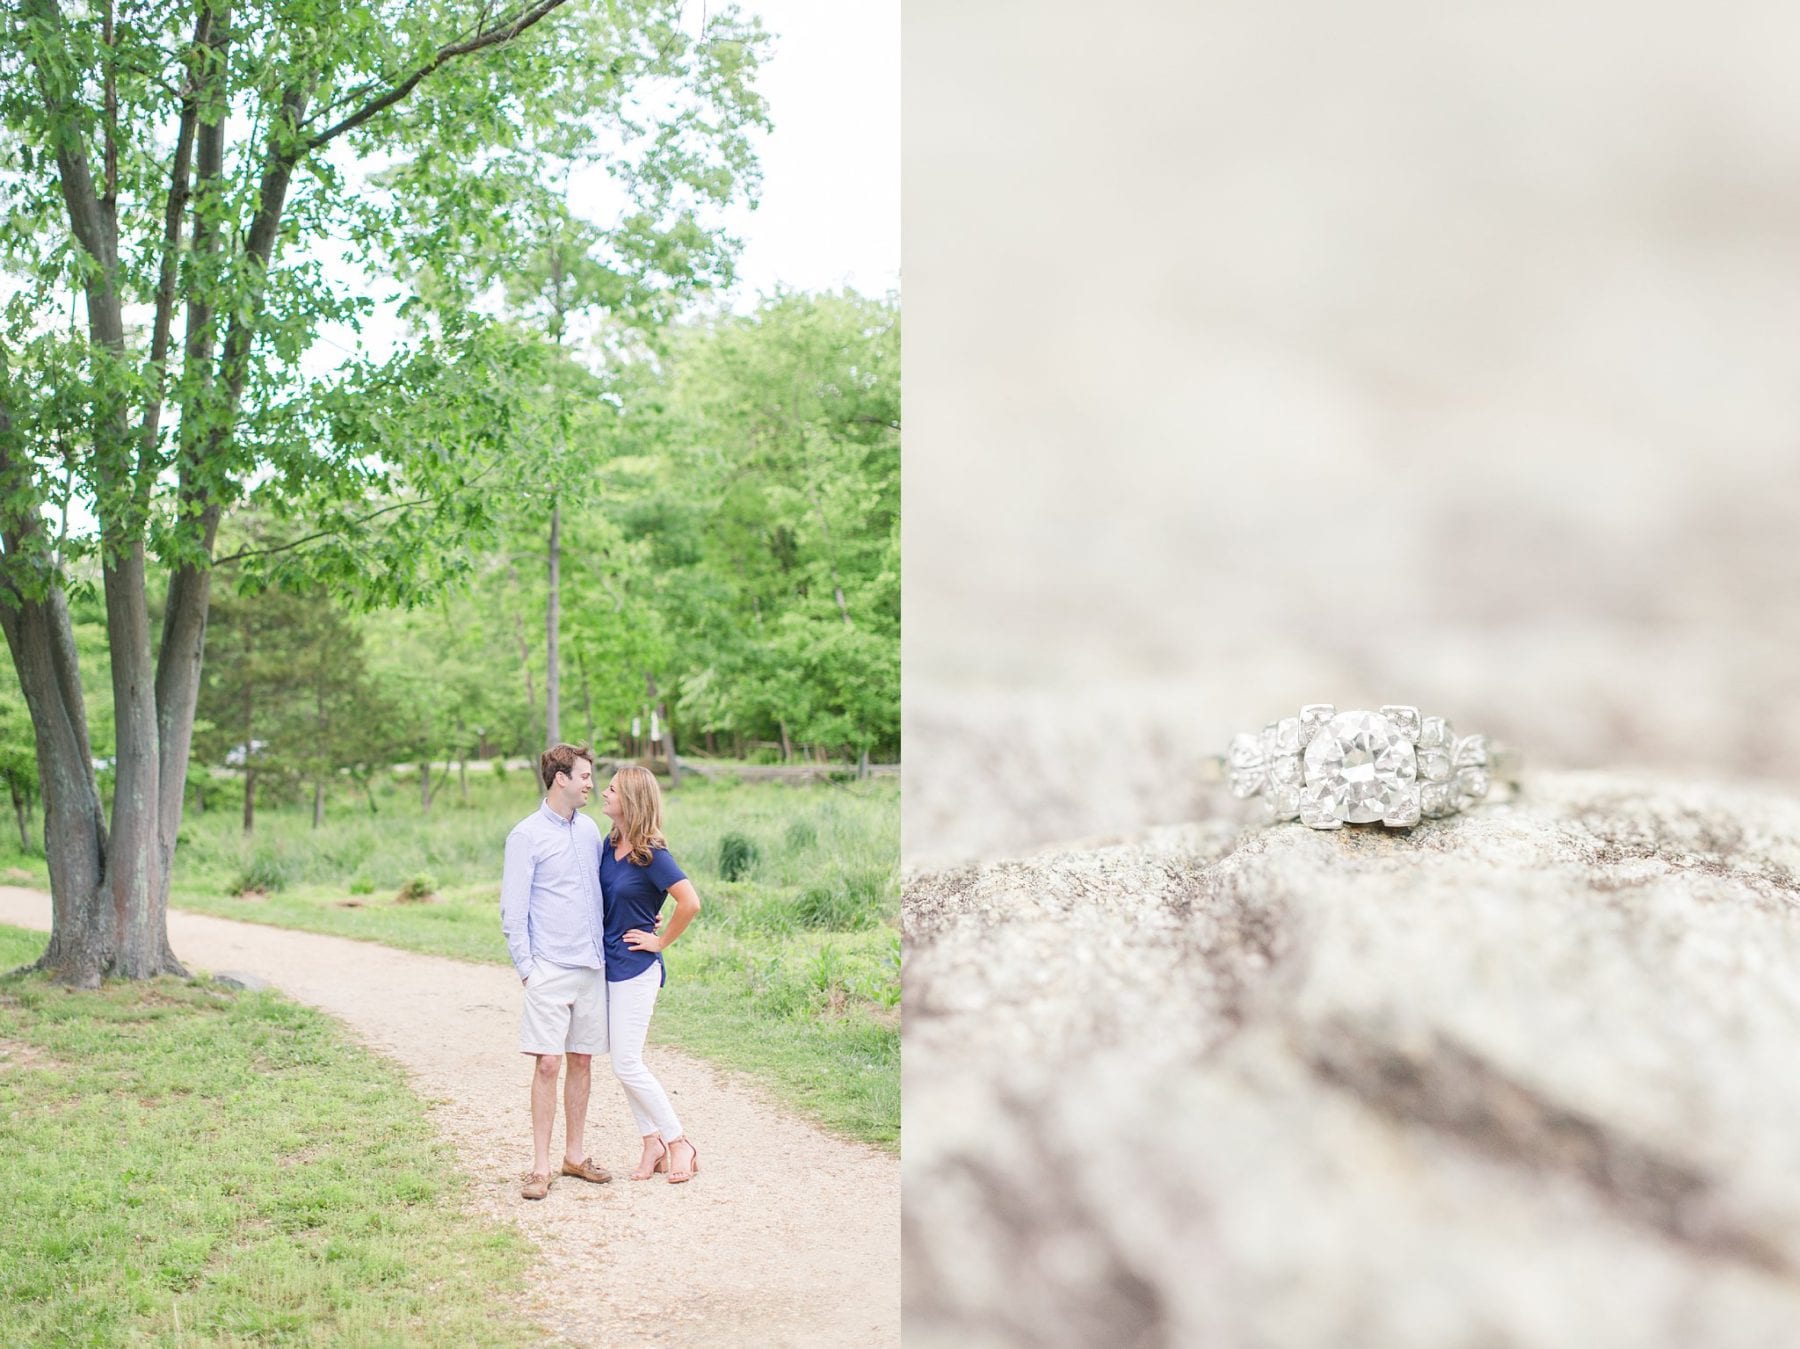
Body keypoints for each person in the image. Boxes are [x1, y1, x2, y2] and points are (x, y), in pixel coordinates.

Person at [500, 743, 614, 1200]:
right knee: (548, 1064)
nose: (591, 783)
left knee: (582, 1061)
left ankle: (575, 1155)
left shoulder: (589, 831)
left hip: (591, 966)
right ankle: (540, 1167)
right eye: (584, 775)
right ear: (560, 778)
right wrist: (530, 971)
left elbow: (607, 891)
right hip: (548, 967)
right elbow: (513, 910)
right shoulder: (526, 836)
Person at [597, 764, 704, 1183]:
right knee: (624, 1061)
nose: (603, 794)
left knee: (626, 1063)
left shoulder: (652, 854)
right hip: (607, 964)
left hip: (637, 969)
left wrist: (659, 940)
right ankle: (651, 1144)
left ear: (632, 801)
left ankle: (679, 1142)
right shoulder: (609, 845)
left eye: (612, 790)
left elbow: (690, 902)